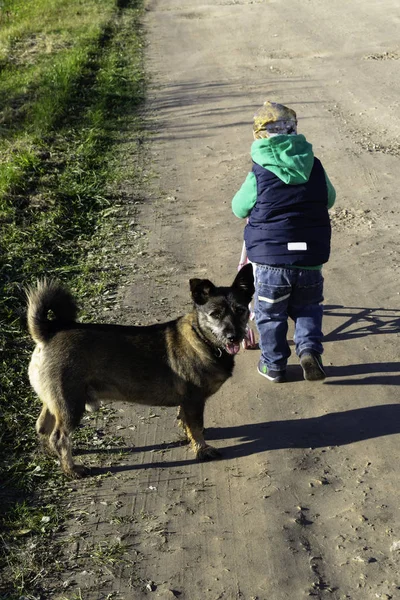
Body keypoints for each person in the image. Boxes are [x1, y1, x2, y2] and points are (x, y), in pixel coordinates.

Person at [232, 101, 336, 383]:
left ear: (259, 136)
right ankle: (309, 350)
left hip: (271, 262)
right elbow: (330, 198)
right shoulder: (314, 165)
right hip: (310, 260)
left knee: (270, 314)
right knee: (308, 308)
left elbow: (239, 207)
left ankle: (274, 365)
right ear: (295, 132)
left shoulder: (258, 172)